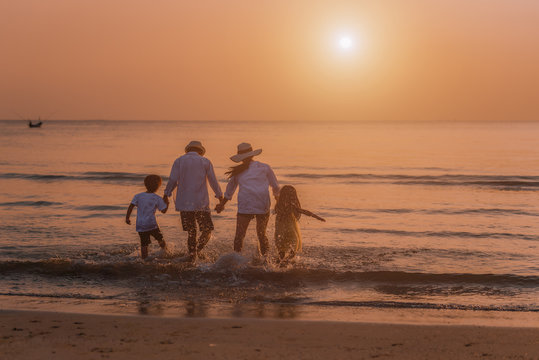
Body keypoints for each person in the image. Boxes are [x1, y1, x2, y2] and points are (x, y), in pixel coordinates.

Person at [215, 143, 279, 257]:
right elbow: (275, 186)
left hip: (246, 205)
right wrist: (278, 202)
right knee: (261, 234)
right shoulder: (264, 167)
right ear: (252, 155)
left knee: (239, 236)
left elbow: (230, 191)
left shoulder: (238, 171)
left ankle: (237, 259)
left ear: (240, 157)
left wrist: (222, 204)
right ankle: (266, 260)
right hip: (262, 204)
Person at [163, 141, 223, 261]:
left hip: (185, 203)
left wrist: (166, 195)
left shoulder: (179, 161)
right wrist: (220, 197)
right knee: (207, 231)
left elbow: (173, 180)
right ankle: (197, 250)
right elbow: (213, 181)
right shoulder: (205, 161)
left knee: (191, 232)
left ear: (188, 150)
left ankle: (192, 255)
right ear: (200, 151)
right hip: (201, 203)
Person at [274, 185, 325, 262]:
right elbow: (305, 212)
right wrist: (317, 217)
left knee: (281, 252)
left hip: (279, 232)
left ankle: (278, 265)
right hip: (290, 232)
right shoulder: (291, 206)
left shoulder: (278, 205)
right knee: (293, 250)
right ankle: (285, 263)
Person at [125, 175, 169, 259]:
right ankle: (165, 251)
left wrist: (127, 218)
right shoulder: (157, 198)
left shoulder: (138, 196)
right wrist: (167, 202)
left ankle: (144, 259)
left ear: (145, 185)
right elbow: (163, 211)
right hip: (151, 224)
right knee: (160, 238)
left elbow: (131, 206)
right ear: (158, 186)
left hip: (140, 224)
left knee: (144, 243)